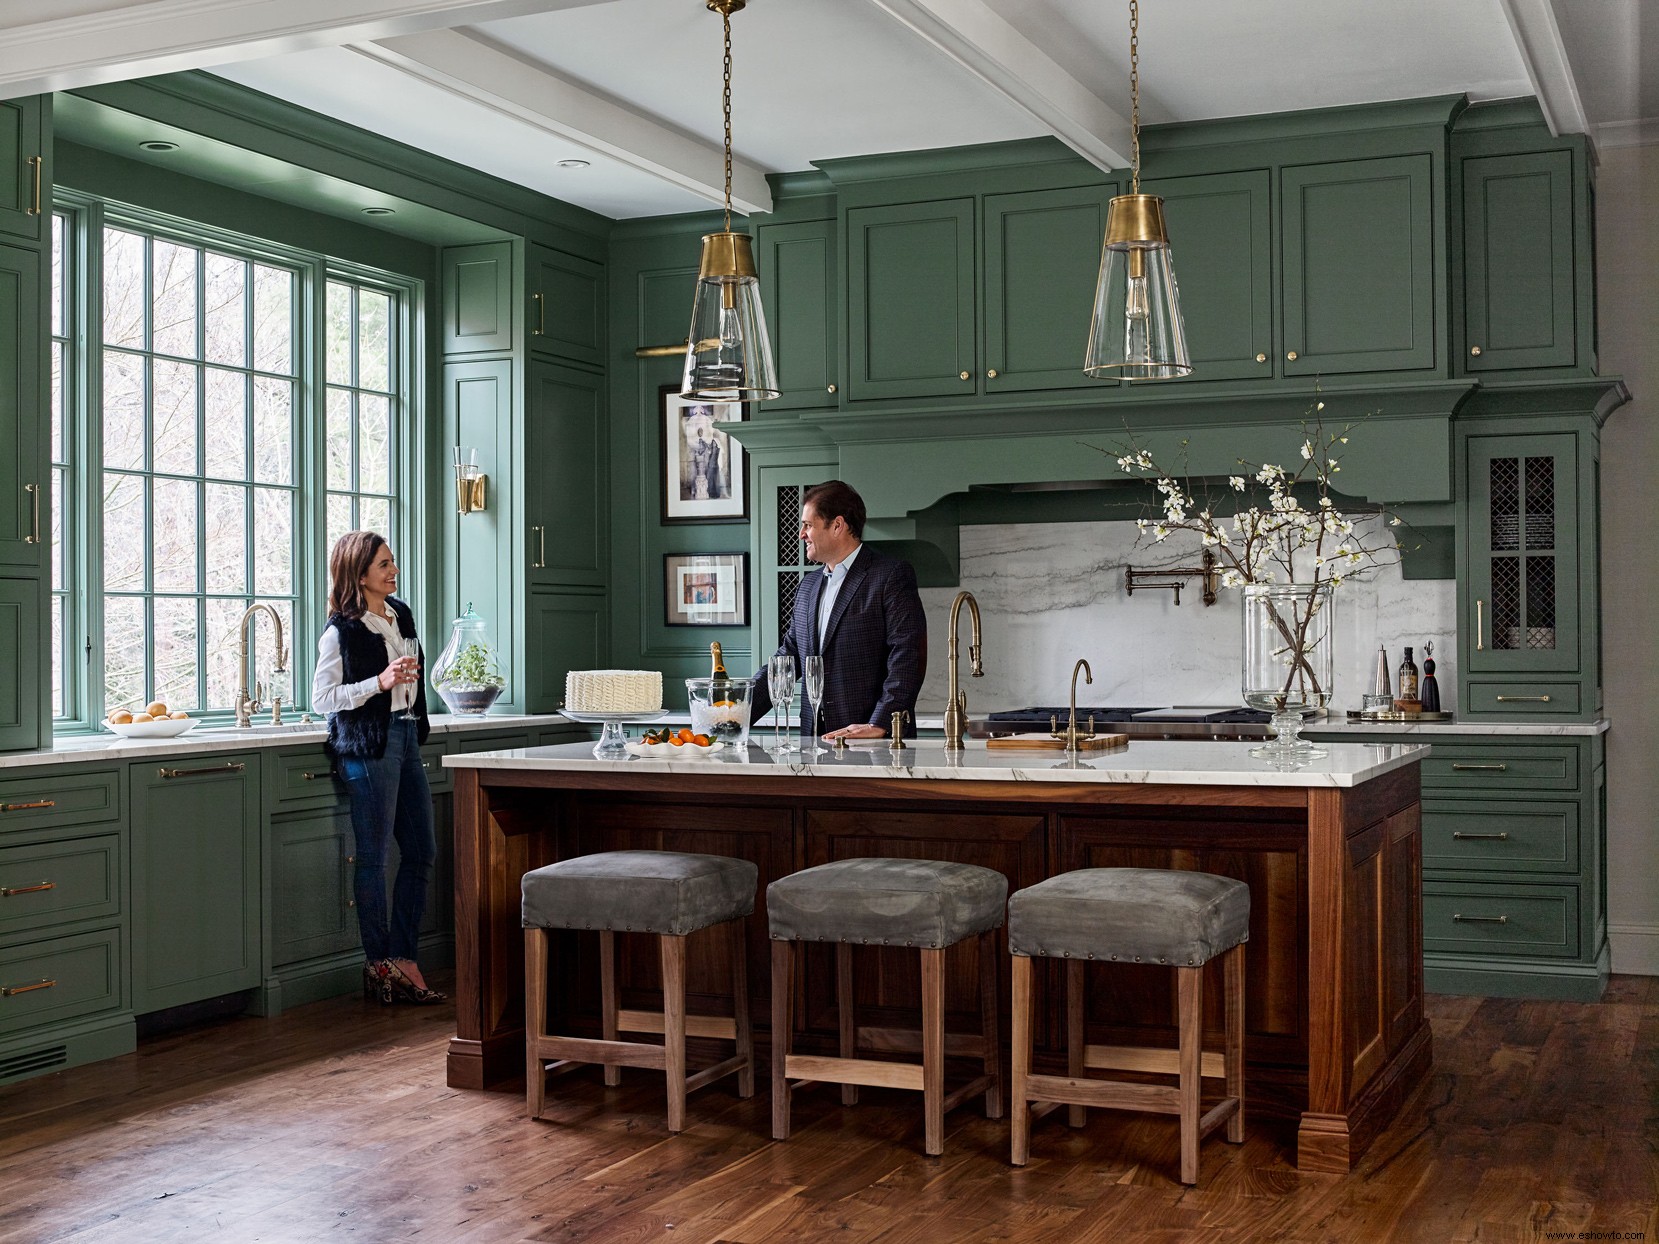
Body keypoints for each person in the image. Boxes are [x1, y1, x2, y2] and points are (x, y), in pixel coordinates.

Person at [312, 530, 444, 1006]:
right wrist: (378, 681)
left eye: (393, 562)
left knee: (422, 850)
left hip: (407, 735)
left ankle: (403, 958)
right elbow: (322, 699)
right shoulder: (341, 631)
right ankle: (379, 964)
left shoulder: (400, 613)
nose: (394, 571)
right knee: (374, 857)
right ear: (359, 573)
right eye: (385, 564)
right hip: (369, 745)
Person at [749, 480, 926, 740]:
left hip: (873, 740)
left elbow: (907, 654)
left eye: (808, 525)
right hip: (813, 741)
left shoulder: (890, 576)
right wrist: (735, 714)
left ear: (837, 525)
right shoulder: (807, 586)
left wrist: (881, 723)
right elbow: (789, 658)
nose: (801, 534)